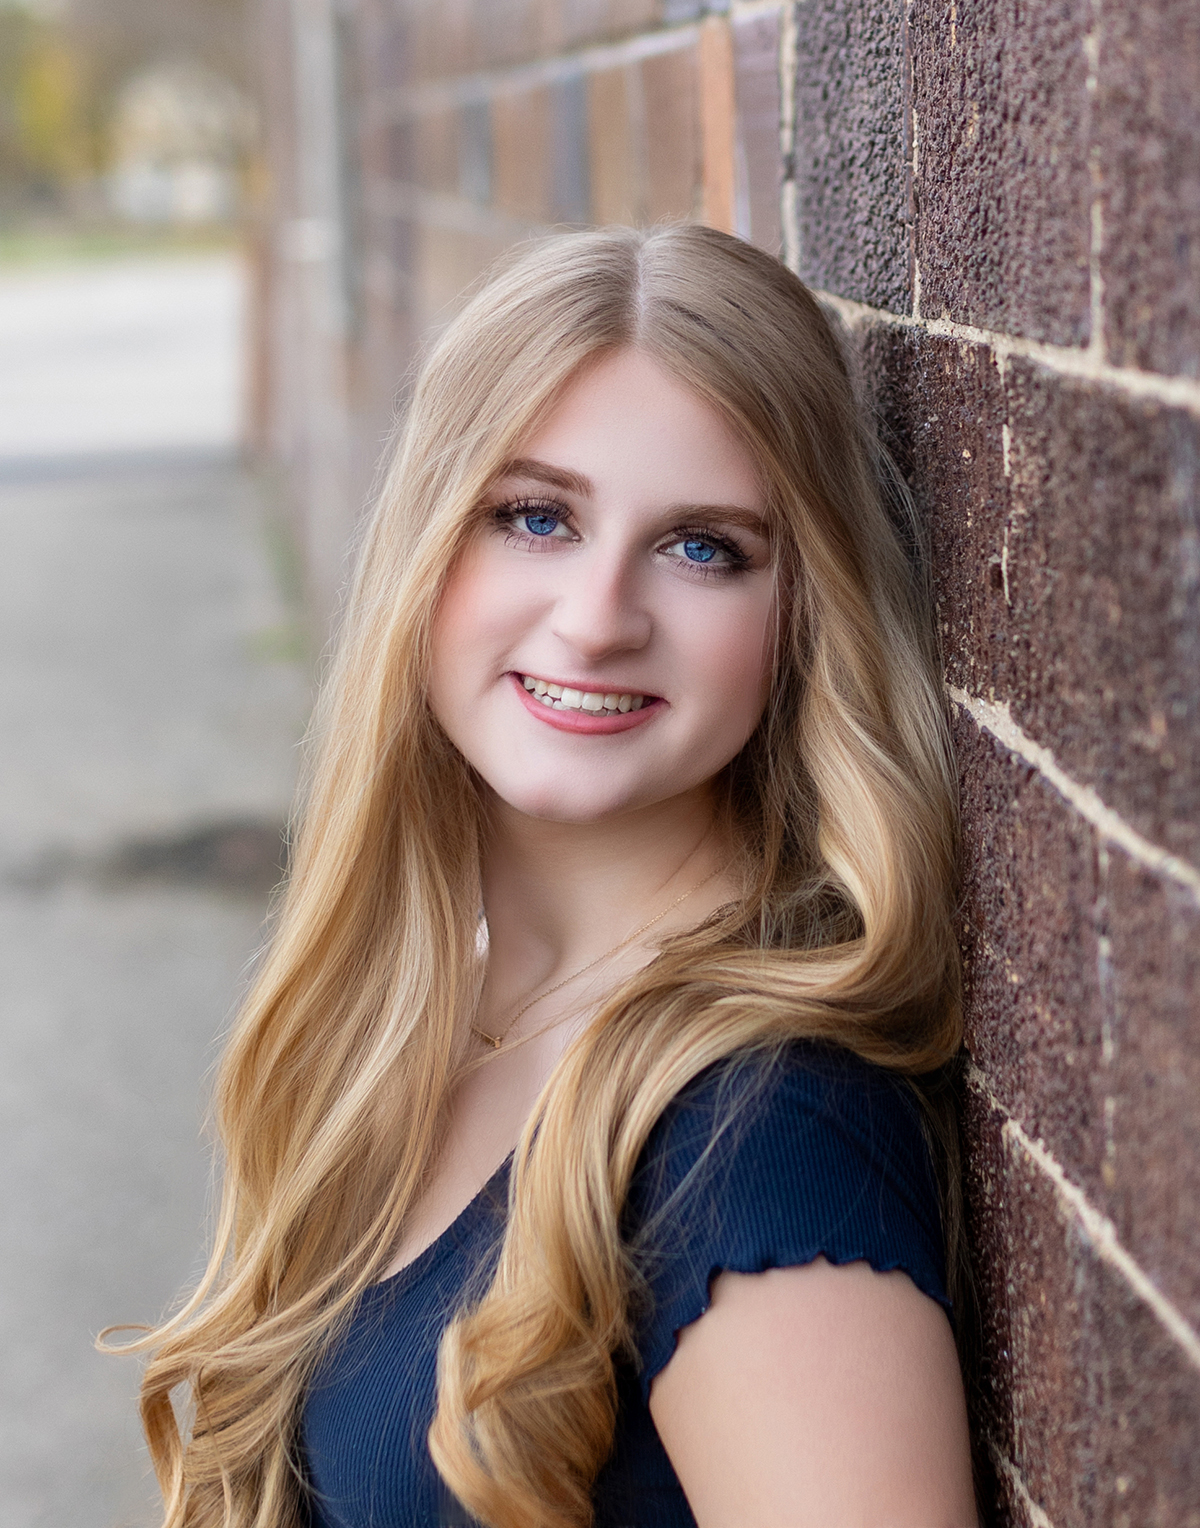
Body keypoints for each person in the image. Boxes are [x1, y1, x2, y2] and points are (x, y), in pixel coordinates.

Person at [119, 224, 978, 1527]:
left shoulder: (759, 1143)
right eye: (535, 517)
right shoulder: (420, 1021)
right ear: (428, 551)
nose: (595, 616)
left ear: (803, 616)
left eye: (704, 548)